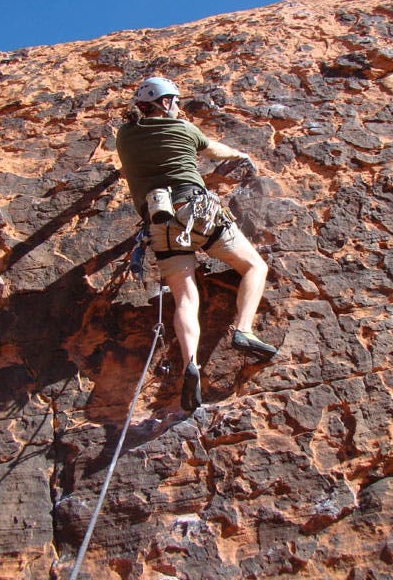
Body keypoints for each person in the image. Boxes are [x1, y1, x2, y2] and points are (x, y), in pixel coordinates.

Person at [116, 76, 276, 412]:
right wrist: (240, 154)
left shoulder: (125, 136)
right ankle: (244, 329)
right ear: (164, 103)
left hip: (159, 224)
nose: (177, 106)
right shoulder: (184, 130)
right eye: (174, 101)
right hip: (197, 211)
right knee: (253, 266)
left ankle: (191, 364)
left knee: (185, 297)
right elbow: (214, 149)